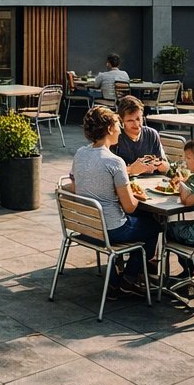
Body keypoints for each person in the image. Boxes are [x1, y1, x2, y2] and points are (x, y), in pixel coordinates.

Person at [67, 105, 161, 297]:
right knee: (154, 226)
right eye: (117, 123)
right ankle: (129, 278)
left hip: (86, 227)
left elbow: (76, 189)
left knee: (140, 224)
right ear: (109, 128)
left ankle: (116, 278)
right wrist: (139, 196)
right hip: (110, 230)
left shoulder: (80, 153)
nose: (119, 127)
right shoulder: (114, 161)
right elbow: (130, 206)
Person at [113, 96, 166, 175]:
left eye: (138, 119)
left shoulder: (152, 134)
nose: (136, 124)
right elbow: (109, 171)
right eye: (130, 120)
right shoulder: (115, 137)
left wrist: (163, 167)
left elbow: (164, 164)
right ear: (121, 120)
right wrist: (131, 170)